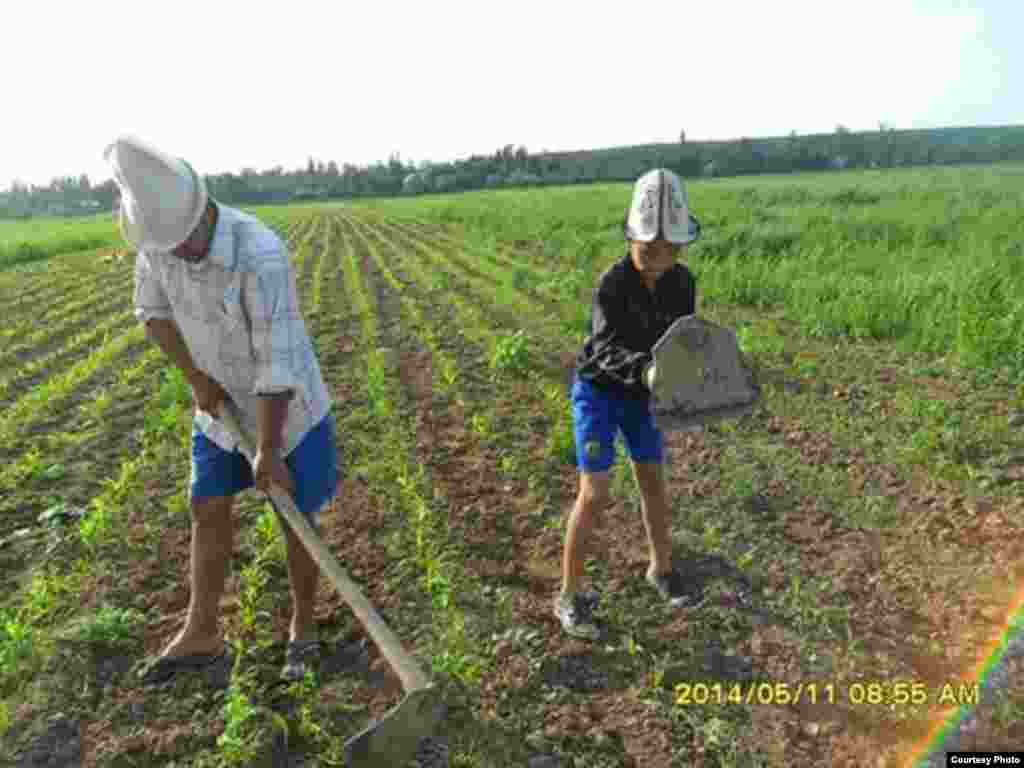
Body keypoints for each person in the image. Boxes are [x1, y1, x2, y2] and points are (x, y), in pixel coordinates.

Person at [104, 135, 339, 682]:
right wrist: (195, 377)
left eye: (183, 241)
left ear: (202, 209)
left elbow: (276, 364)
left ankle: (302, 630)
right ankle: (202, 629)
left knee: (295, 517)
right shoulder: (158, 242)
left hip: (287, 410)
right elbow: (152, 313)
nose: (176, 253)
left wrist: (270, 448)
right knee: (205, 507)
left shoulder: (259, 254)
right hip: (218, 410)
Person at [555, 168, 702, 640]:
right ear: (630, 237)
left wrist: (694, 370)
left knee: (654, 483)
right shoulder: (611, 285)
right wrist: (645, 369)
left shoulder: (683, 284)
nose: (660, 260)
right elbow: (601, 349)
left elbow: (683, 338)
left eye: (671, 249)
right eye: (648, 249)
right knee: (595, 494)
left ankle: (661, 570)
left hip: (644, 400)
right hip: (600, 394)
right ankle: (570, 595)